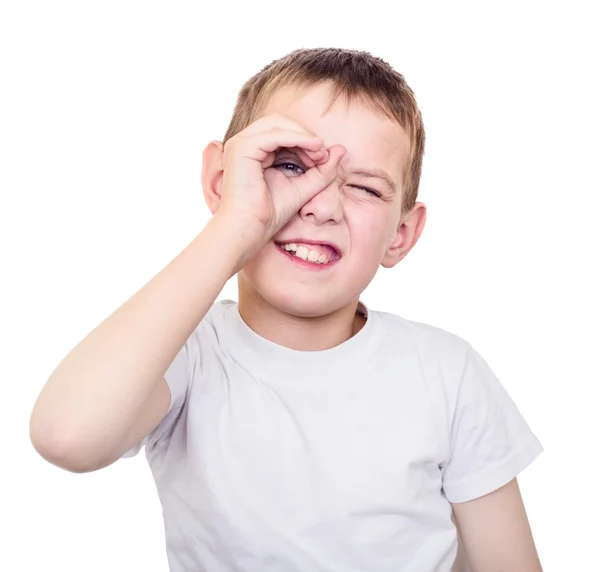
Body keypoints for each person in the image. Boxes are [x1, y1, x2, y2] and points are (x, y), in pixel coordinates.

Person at [29, 47, 544, 571]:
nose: (321, 205)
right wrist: (237, 223)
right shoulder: (187, 355)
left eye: (365, 188)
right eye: (290, 166)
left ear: (402, 235)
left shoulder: (446, 373)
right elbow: (67, 436)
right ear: (220, 182)